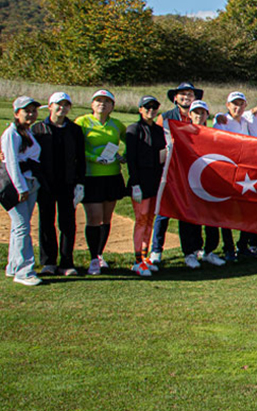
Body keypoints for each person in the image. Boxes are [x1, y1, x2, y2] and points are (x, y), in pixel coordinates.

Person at [31, 91, 83, 276]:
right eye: (58, 104)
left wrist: (80, 183)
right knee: (46, 222)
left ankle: (67, 262)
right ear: (50, 106)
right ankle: (48, 262)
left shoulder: (75, 130)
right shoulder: (37, 129)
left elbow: (80, 158)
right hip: (45, 183)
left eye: (66, 105)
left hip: (68, 183)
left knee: (67, 224)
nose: (62, 108)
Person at [75, 89, 127, 276]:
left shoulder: (116, 124)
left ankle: (100, 255)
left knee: (106, 218)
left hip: (112, 175)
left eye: (106, 101)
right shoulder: (82, 122)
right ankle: (93, 256)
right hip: (91, 176)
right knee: (94, 217)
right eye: (98, 100)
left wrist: (124, 156)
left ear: (112, 106)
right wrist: (94, 158)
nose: (102, 104)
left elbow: (132, 141)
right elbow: (76, 148)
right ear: (92, 104)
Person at [150, 81, 202, 266]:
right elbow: (156, 143)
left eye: (190, 94)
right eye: (183, 94)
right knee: (163, 211)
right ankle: (156, 250)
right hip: (169, 170)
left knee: (187, 212)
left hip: (190, 172)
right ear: (175, 98)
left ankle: (190, 252)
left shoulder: (198, 117)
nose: (186, 97)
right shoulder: (165, 117)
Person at [176, 100, 228, 269]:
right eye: (195, 112)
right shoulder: (182, 133)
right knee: (188, 218)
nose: (199, 116)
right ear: (190, 115)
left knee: (211, 218)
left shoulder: (213, 133)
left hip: (209, 181)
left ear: (207, 115)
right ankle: (190, 253)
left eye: (202, 113)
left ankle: (209, 251)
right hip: (188, 181)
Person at [0, 96, 43, 286]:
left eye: (34, 110)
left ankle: (13, 266)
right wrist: (21, 188)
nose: (31, 114)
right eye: (27, 111)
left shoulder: (27, 132)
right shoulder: (12, 134)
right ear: (17, 113)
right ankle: (24, 271)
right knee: (22, 227)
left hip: (30, 182)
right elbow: (11, 163)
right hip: (19, 185)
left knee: (19, 227)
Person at [124, 96, 166, 276]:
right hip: (140, 181)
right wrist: (134, 183)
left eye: (154, 107)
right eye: (147, 107)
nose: (151, 110)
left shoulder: (158, 130)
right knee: (141, 219)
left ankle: (144, 255)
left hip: (155, 181)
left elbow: (162, 155)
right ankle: (137, 260)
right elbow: (131, 159)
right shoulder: (133, 130)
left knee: (150, 219)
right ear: (140, 109)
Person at [213, 91, 255, 261]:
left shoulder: (246, 121)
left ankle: (242, 245)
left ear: (245, 106)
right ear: (228, 105)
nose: (237, 107)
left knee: (247, 209)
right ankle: (229, 247)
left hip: (245, 171)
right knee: (227, 212)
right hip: (227, 171)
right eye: (234, 104)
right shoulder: (221, 122)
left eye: (241, 104)